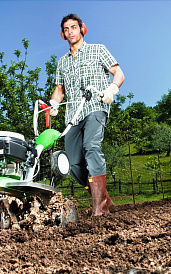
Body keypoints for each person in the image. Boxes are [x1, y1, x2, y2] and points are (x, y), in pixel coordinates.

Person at [49, 14, 125, 216]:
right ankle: (105, 198)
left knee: (91, 146)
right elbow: (59, 89)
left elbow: (119, 73)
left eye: (73, 27)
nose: (70, 31)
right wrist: (54, 103)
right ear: (62, 34)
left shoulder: (97, 49)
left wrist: (111, 90)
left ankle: (99, 208)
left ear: (83, 29)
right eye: (66, 29)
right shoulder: (62, 62)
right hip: (73, 115)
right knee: (73, 163)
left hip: (95, 107)